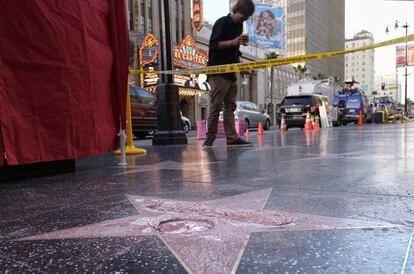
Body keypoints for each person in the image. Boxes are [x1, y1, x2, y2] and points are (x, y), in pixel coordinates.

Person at [203, 0, 255, 148]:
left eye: (247, 17)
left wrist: (241, 46)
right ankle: (209, 139)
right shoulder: (222, 22)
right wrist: (233, 42)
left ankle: (231, 138)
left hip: (231, 73)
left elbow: (234, 50)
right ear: (237, 10)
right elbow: (214, 45)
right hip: (218, 72)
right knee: (216, 106)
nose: (245, 19)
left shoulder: (239, 26)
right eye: (244, 16)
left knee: (230, 107)